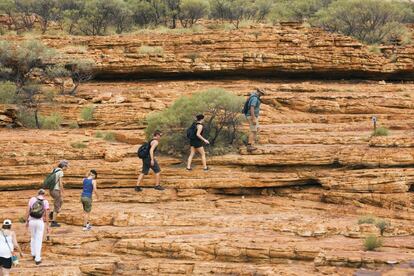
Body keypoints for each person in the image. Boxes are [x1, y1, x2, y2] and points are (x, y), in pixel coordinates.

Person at [26, 189, 50, 265]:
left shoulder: (32, 199)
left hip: (32, 221)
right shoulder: (45, 202)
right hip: (40, 222)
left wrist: (26, 221)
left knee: (33, 237)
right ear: (44, 194)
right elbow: (46, 214)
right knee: (38, 240)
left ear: (38, 193)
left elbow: (27, 211)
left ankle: (33, 253)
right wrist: (47, 225)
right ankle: (37, 258)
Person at [49, 160, 69, 228]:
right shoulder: (60, 172)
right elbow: (60, 183)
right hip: (55, 190)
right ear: (63, 166)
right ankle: (53, 222)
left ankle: (52, 213)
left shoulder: (54, 170)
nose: (67, 168)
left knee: (60, 201)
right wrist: (63, 191)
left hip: (51, 190)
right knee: (57, 205)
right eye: (66, 167)